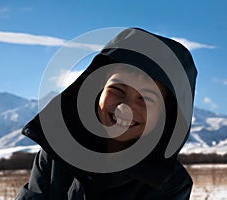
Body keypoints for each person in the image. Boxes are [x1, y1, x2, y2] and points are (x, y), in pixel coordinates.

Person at [16, 27, 197, 200]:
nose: (124, 108)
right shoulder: (57, 153)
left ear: (166, 114)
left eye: (146, 99)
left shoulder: (172, 184)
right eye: (117, 89)